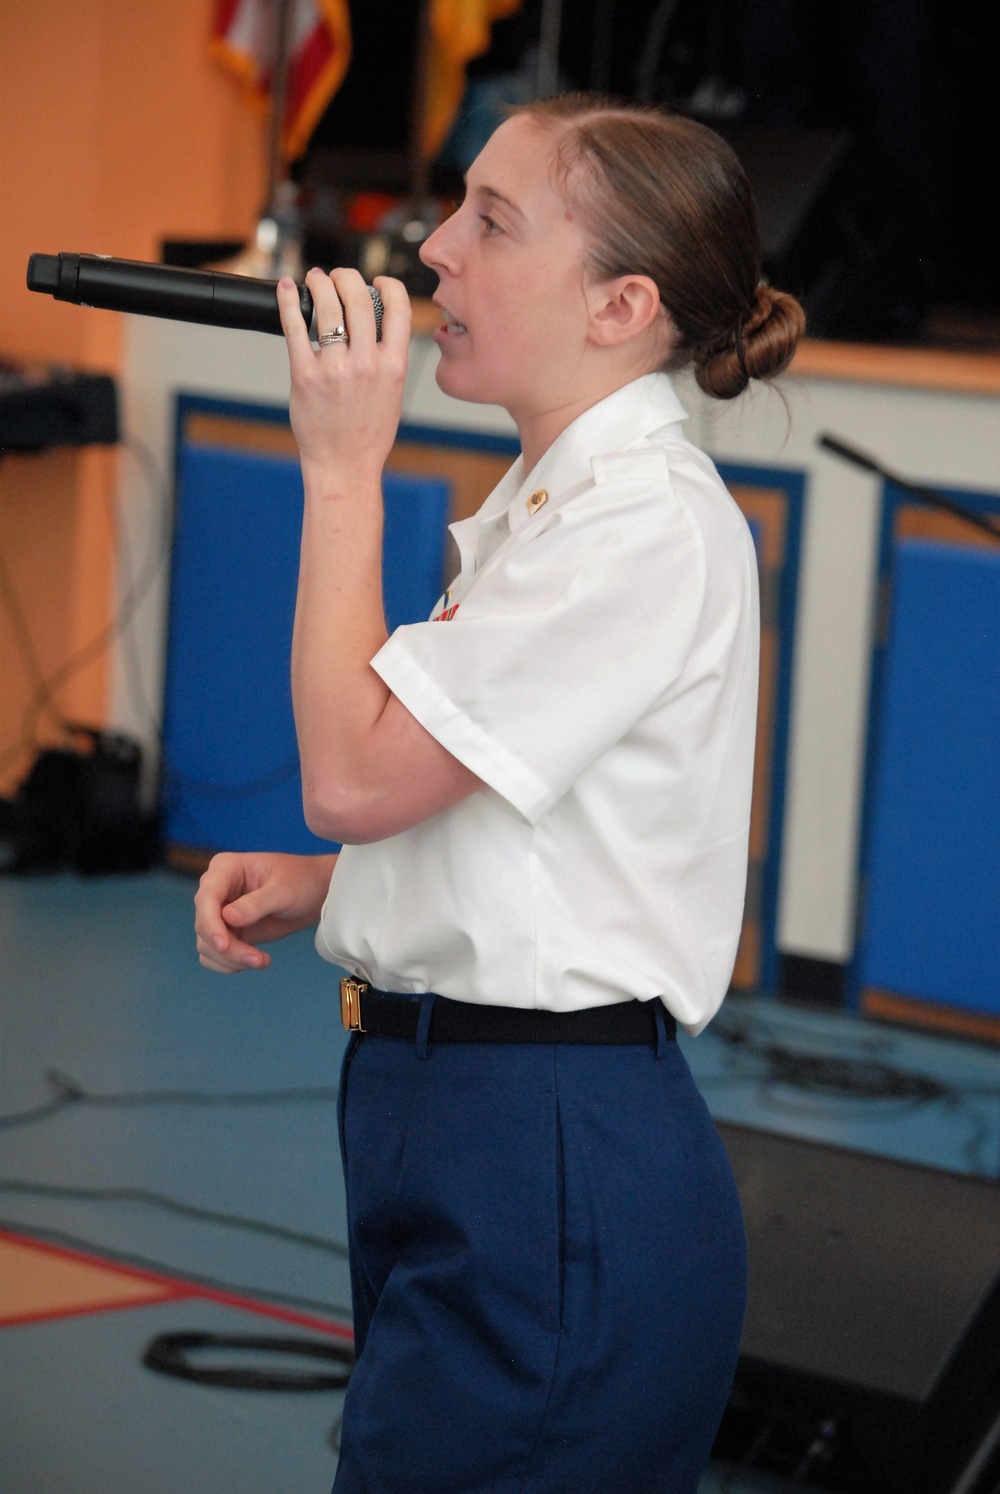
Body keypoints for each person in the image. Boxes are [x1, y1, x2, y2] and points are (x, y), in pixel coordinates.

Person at [194, 93, 805, 1494]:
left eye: (493, 224)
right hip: (448, 1111)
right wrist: (343, 887)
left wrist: (344, 467)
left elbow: (350, 773)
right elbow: (527, 820)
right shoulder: (556, 499)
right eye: (456, 207)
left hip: (546, 1148)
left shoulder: (642, 521)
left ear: (622, 306)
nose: (437, 254)